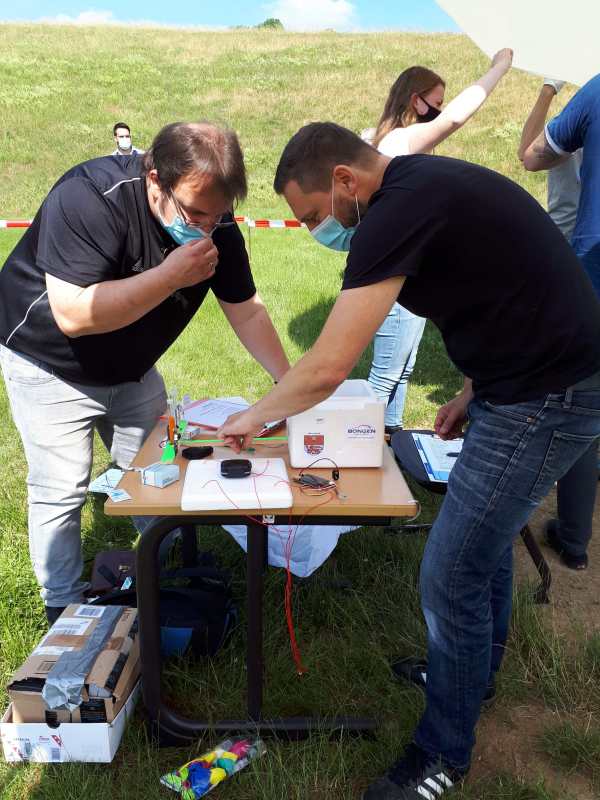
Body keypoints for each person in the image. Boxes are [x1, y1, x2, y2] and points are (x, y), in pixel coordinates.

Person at [219, 122, 600, 798]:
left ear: (344, 180)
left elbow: (329, 366)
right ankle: (470, 676)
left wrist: (253, 417)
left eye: (312, 215)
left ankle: (443, 753)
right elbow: (503, 284)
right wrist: (473, 390)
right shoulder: (420, 188)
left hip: (549, 393)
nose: (314, 230)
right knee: (478, 547)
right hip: (523, 383)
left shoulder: (392, 214)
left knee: (450, 575)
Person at [0, 121, 289, 625]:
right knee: (62, 486)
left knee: (158, 469)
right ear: (155, 180)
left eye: (219, 215)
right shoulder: (89, 198)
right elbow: (74, 314)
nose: (208, 228)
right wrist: (170, 275)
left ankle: (165, 568)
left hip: (133, 369)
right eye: (195, 214)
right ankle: (61, 609)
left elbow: (246, 311)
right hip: (50, 362)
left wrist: (290, 384)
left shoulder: (215, 222)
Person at [363, 50, 513, 435]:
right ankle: (356, 444)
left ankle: (391, 441)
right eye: (436, 102)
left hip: (411, 274)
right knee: (385, 375)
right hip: (397, 277)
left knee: (402, 369)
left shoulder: (389, 143)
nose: (440, 110)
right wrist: (499, 68)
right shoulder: (399, 140)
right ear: (417, 101)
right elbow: (455, 118)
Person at [522, 73, 600, 570]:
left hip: (580, 272)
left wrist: (549, 89)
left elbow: (529, 153)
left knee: (574, 411)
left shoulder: (590, 97)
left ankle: (572, 539)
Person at [518, 78, 582, 240]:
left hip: (569, 235)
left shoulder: (578, 119)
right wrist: (548, 90)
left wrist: (548, 90)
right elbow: (527, 153)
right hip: (569, 234)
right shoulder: (576, 120)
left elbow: (527, 155)